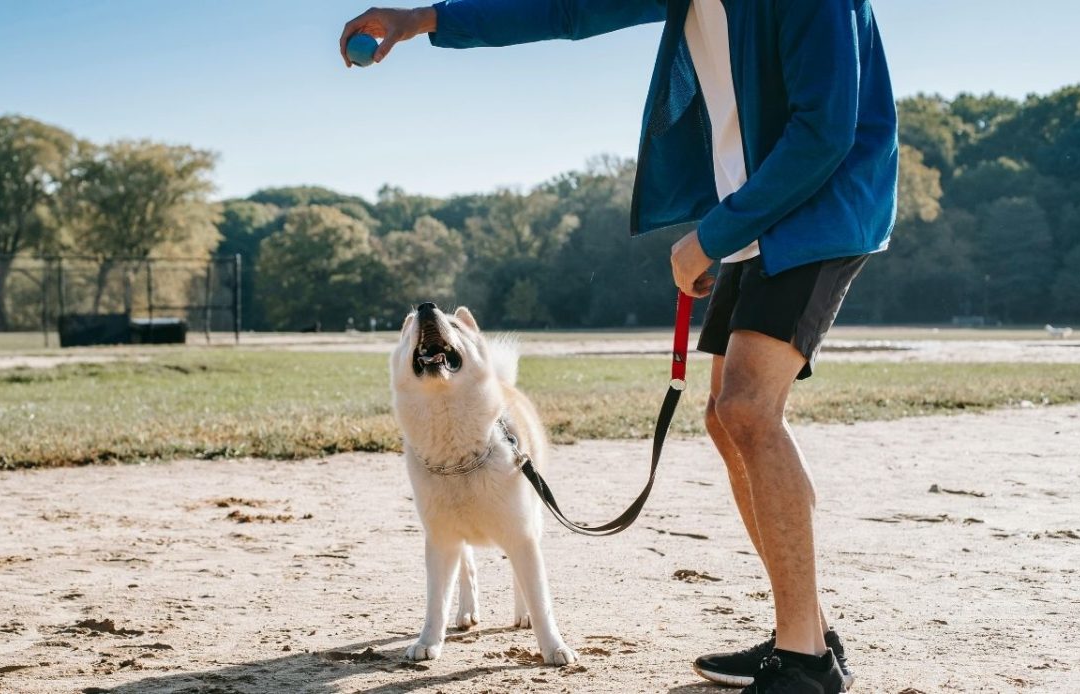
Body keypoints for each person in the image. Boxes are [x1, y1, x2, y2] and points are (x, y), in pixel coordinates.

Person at [339, 2, 898, 692]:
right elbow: (567, 7)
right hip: (758, 208)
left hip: (821, 206)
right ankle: (806, 632)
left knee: (750, 410)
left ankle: (805, 662)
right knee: (726, 418)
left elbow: (825, 131)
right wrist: (423, 20)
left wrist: (714, 234)